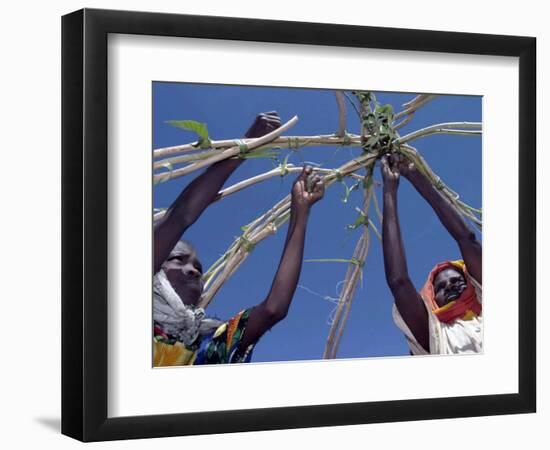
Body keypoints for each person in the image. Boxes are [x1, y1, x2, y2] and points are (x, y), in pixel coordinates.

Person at [153, 111, 325, 366]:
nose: (193, 271)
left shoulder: (211, 341)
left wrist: (300, 211)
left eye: (199, 269)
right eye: (178, 259)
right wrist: (246, 145)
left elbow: (273, 308)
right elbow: (180, 217)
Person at [380, 154, 482, 355]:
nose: (450, 285)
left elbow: (467, 239)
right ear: (433, 300)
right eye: (441, 288)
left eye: (456, 280)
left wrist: (416, 177)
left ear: (472, 283)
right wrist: (389, 191)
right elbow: (399, 282)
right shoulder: (435, 335)